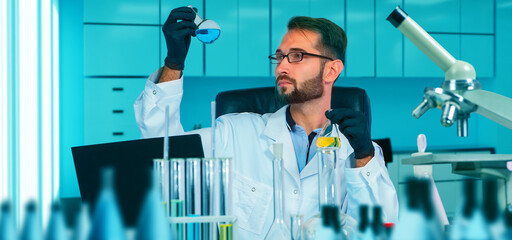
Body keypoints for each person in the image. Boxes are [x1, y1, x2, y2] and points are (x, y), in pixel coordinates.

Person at [134, 7, 398, 239]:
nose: (282, 67)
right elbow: (165, 149)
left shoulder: (355, 151)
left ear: (331, 70)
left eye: (297, 56)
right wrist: (173, 62)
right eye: (280, 57)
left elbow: (379, 230)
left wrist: (364, 156)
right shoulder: (235, 132)